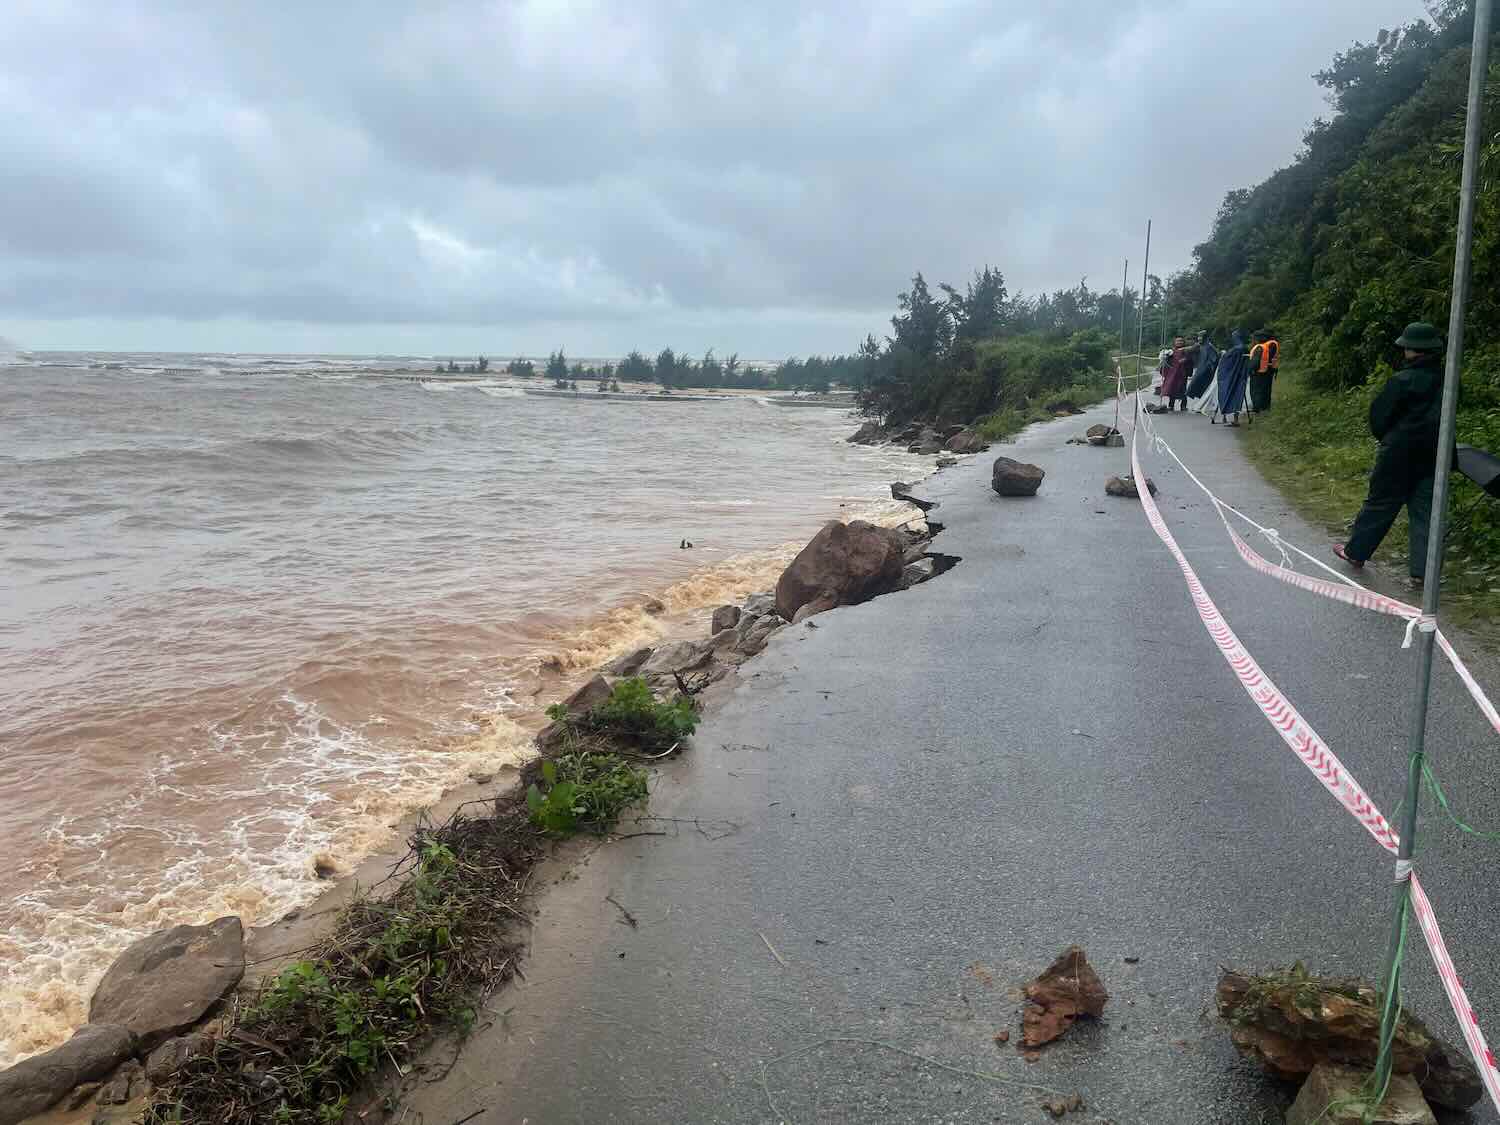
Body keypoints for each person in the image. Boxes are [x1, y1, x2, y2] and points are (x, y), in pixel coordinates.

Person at [1334, 322, 1449, 588]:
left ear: (1412, 350)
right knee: (1427, 513)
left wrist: (1390, 439)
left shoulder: (1401, 381)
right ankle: (1423, 573)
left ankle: (1356, 553)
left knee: (1381, 503)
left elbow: (1380, 418)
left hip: (1398, 454)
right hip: (1435, 455)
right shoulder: (1448, 379)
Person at [1211, 329, 1250, 425]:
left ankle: (1226, 416)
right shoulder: (1244, 348)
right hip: (1241, 376)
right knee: (1238, 395)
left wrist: (1224, 354)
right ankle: (1235, 418)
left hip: (1231, 377)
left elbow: (1225, 359)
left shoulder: (1237, 349)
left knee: (1227, 393)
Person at [1247, 330, 1280, 413]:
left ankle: (1258, 407)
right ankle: (1263, 407)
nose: (1254, 340)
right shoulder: (1268, 344)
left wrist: (1250, 369)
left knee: (1258, 390)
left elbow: (1259, 360)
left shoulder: (1268, 345)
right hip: (1266, 369)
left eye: (1255, 338)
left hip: (1263, 370)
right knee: (1264, 390)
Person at [1157, 336, 1193, 412]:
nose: (1179, 342)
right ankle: (1171, 405)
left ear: (1183, 342)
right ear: (1174, 342)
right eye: (1177, 341)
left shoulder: (1186, 350)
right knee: (1172, 389)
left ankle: (1183, 406)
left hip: (1182, 373)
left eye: (1181, 341)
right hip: (1173, 374)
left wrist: (1185, 360)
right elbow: (1166, 361)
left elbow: (1190, 359)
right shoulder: (1171, 352)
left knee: (1183, 389)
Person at [1186, 331, 1219, 404]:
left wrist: (1208, 368)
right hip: (1200, 370)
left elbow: (1214, 359)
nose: (1199, 338)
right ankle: (1202, 404)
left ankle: (1206, 405)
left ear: (1205, 338)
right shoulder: (1201, 346)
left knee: (1204, 388)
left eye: (1201, 337)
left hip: (1206, 372)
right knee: (1198, 386)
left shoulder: (1209, 347)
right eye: (1198, 337)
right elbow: (1189, 350)